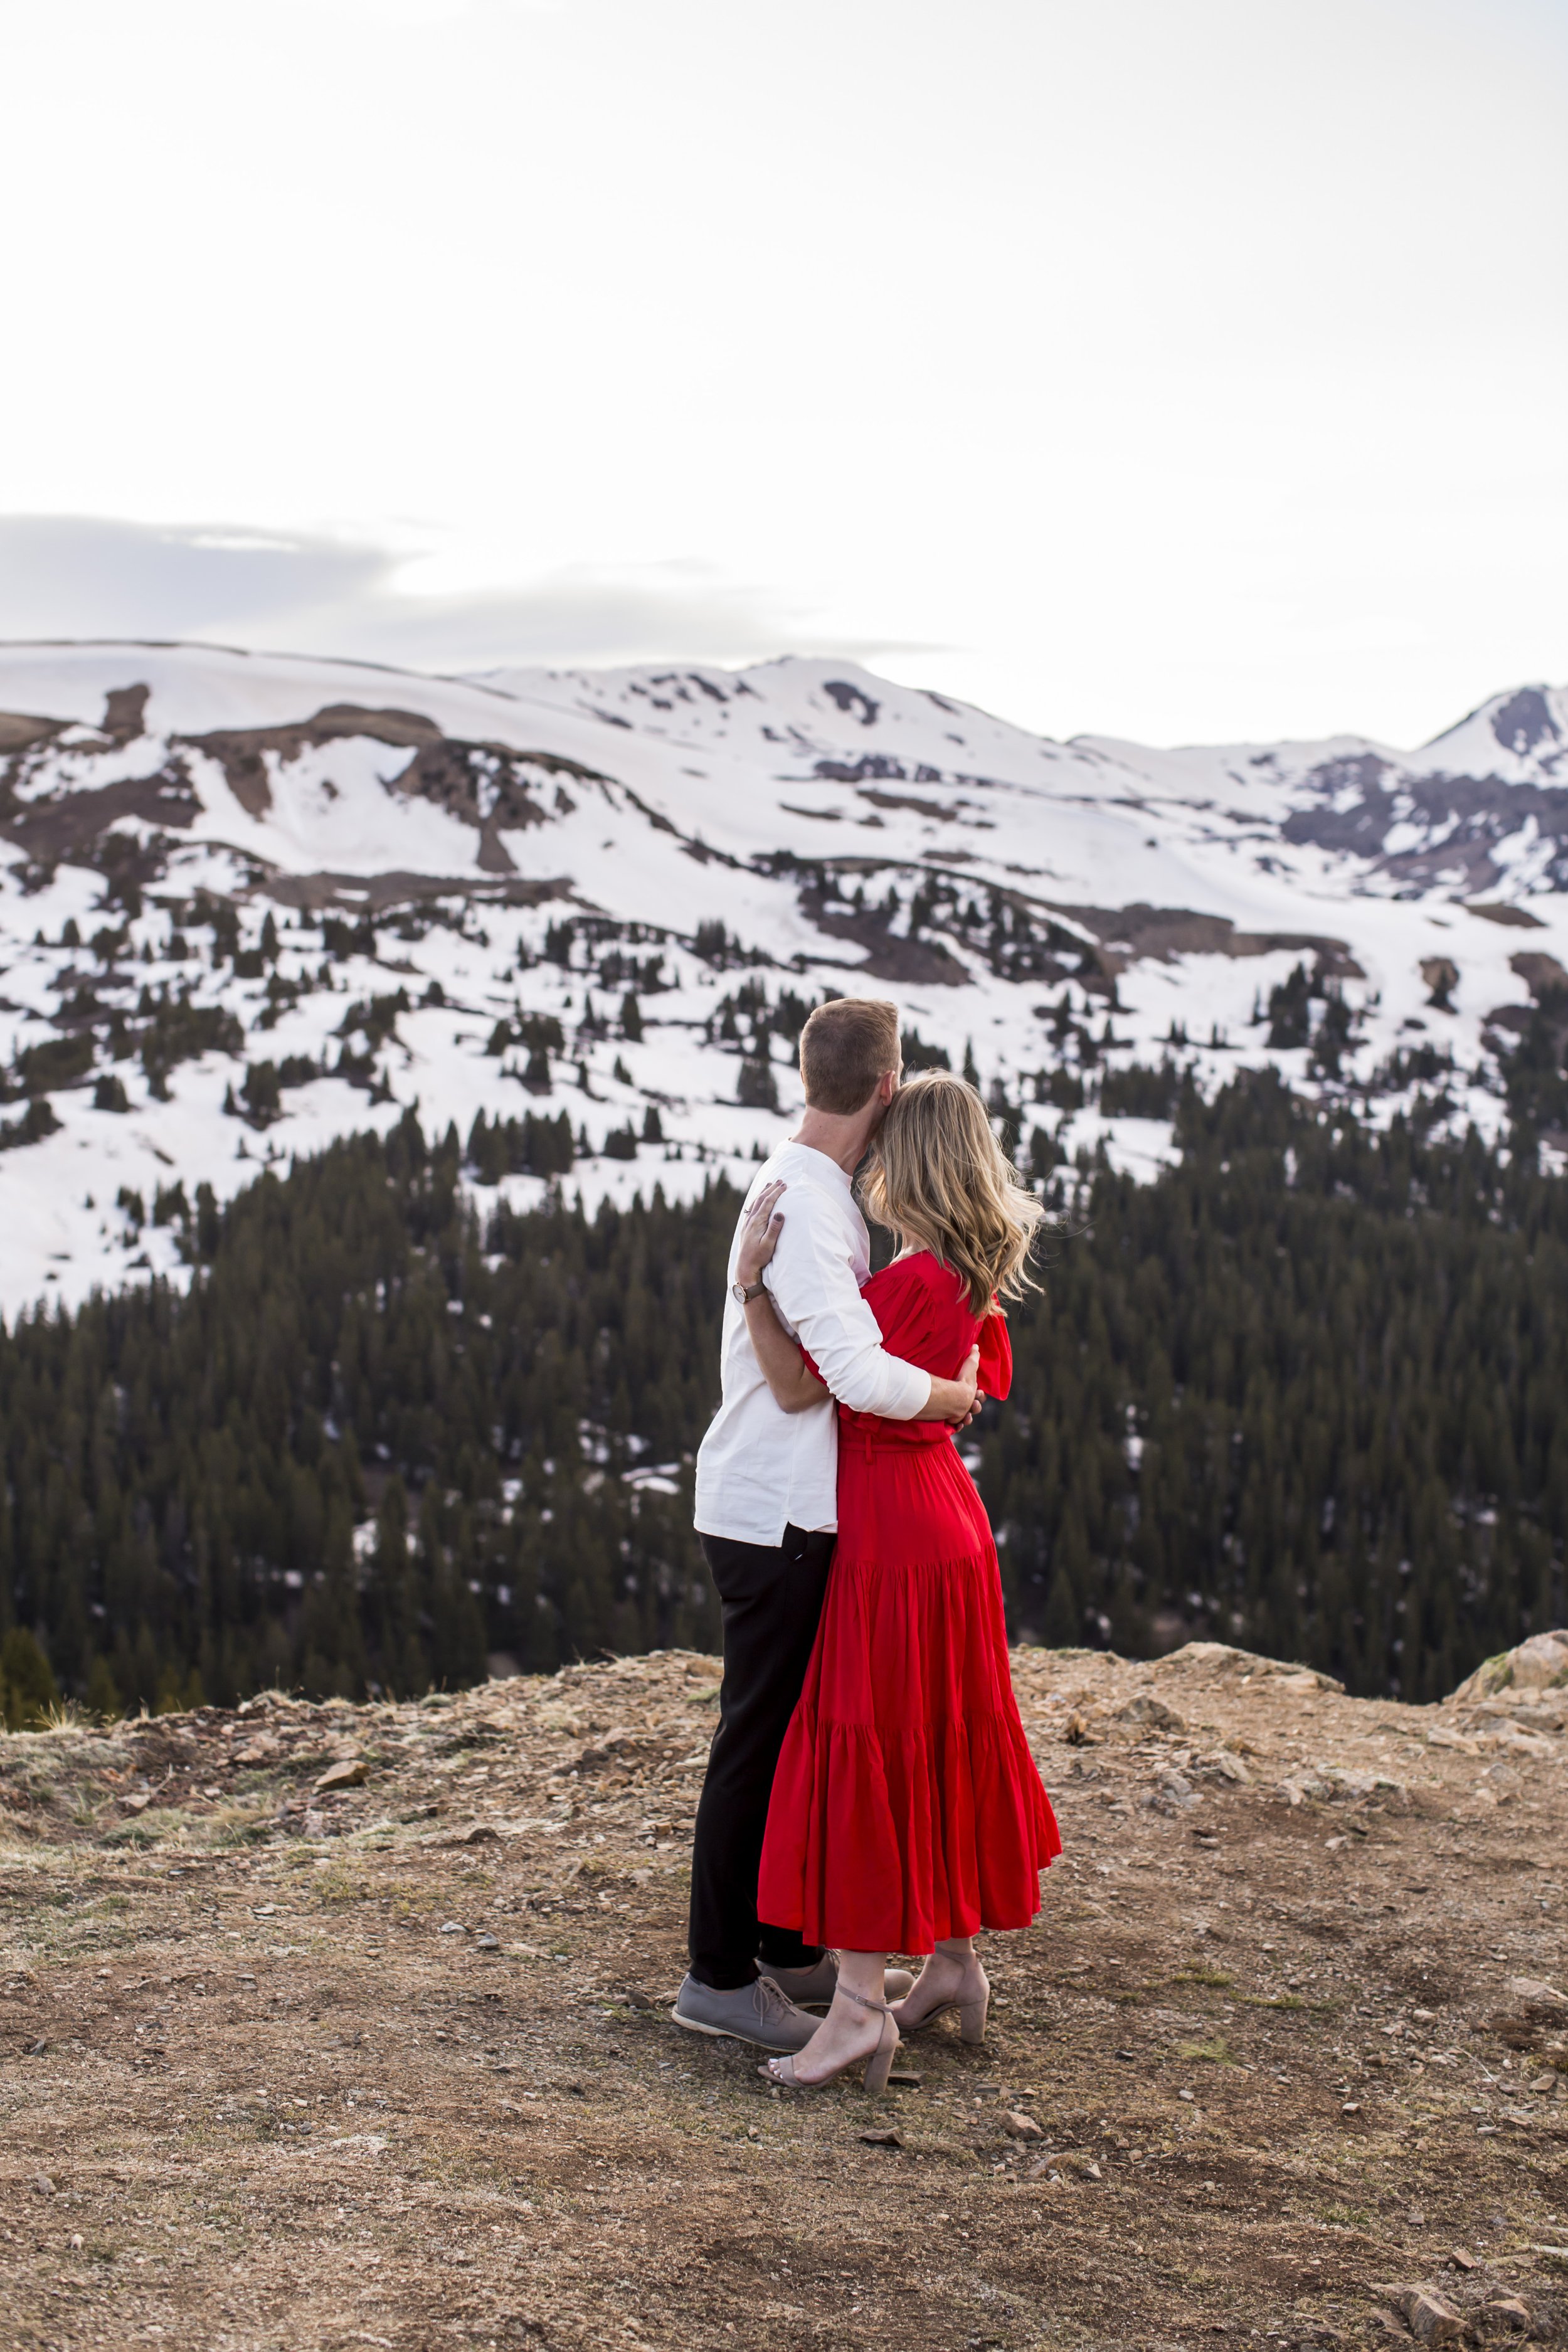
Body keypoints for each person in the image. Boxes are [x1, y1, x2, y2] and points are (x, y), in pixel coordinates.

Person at [739, 1068, 1062, 2091]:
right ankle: (956, 1964)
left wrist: (753, 1281)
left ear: (908, 1157)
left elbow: (803, 1382)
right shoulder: (971, 1267)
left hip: (889, 1526)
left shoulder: (913, 1281)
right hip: (947, 1517)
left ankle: (855, 2009)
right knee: (938, 1733)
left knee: (871, 1739)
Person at [674, 999, 983, 2055]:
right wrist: (948, 1397)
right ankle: (719, 1975)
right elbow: (833, 1380)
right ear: (887, 1088)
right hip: (778, 1513)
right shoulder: (807, 1205)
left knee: (785, 1732)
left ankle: (776, 1943)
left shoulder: (809, 1193)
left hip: (788, 1506)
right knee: (757, 1743)